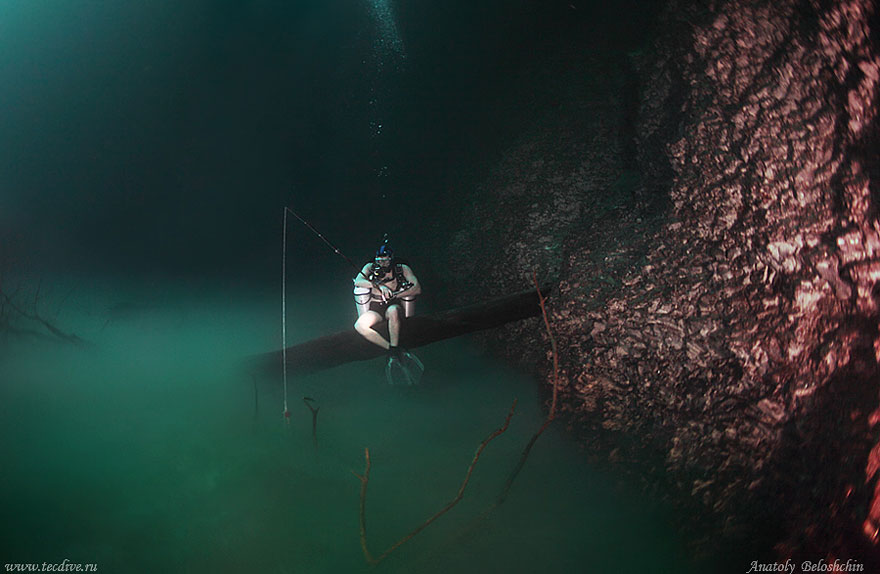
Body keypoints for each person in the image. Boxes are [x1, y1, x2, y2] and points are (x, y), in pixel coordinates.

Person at [352, 238, 421, 358]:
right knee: (359, 326)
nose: (382, 263)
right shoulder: (370, 267)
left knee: (393, 311)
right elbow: (358, 281)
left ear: (391, 259)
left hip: (393, 304)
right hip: (375, 307)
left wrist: (395, 295)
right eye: (379, 260)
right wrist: (379, 286)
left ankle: (395, 346)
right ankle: (391, 349)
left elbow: (417, 288)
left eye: (386, 260)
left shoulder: (402, 269)